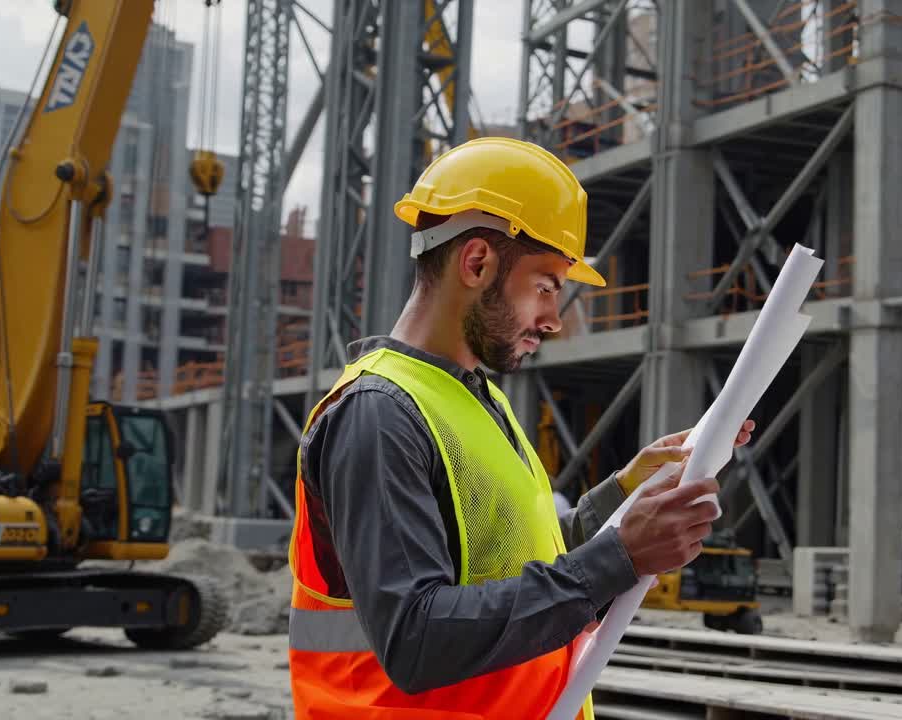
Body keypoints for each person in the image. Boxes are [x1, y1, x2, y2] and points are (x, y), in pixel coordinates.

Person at [286, 137, 754, 720]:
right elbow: (416, 638)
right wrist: (620, 556)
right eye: (546, 286)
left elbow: (511, 562)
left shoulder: (479, 402)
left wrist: (621, 496)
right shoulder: (378, 415)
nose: (555, 320)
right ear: (477, 262)